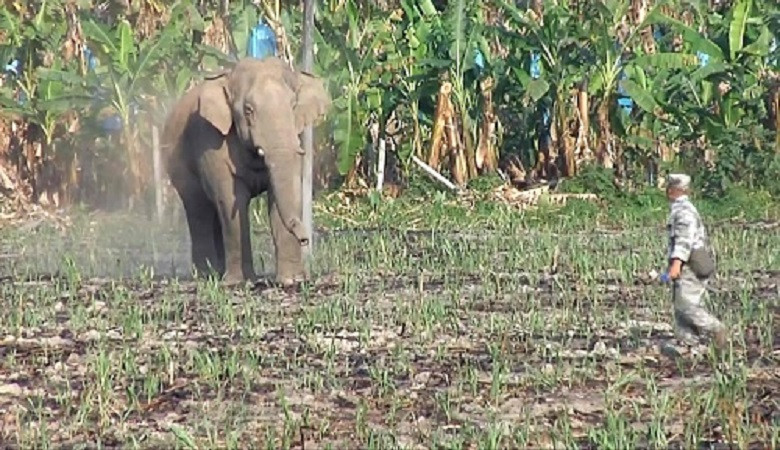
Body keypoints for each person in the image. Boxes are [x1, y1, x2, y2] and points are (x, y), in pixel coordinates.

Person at [660, 173, 728, 355]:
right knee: (680, 307)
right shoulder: (682, 208)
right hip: (687, 264)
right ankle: (689, 345)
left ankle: (716, 328)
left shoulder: (683, 211)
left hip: (690, 264)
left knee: (686, 306)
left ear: (672, 190)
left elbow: (684, 240)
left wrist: (676, 265)